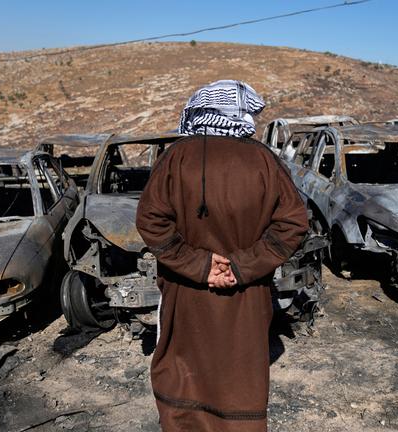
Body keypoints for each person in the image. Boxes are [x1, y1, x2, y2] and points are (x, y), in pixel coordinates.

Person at [136, 80, 309, 432]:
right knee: (239, 380)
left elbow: (150, 221)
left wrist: (200, 266)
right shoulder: (264, 160)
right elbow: (292, 224)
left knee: (183, 377)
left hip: (186, 293)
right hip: (245, 295)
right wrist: (241, 267)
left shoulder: (175, 157)